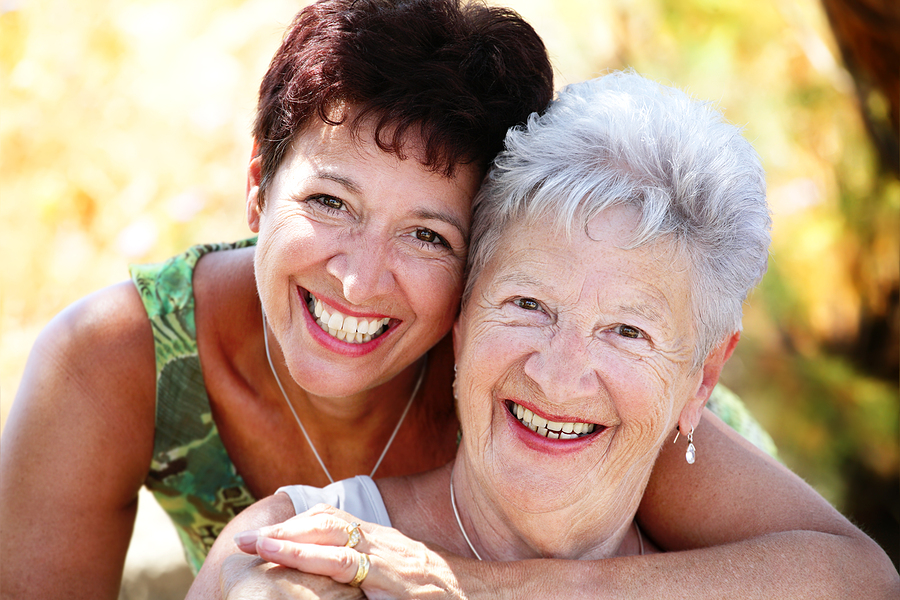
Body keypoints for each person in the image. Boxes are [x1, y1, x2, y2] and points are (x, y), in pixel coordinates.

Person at [0, 1, 852, 598]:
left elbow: (856, 577)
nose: (361, 280)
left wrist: (473, 588)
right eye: (329, 203)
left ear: (476, 257)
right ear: (257, 188)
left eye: (427, 236)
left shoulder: (583, 389)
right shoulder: (116, 361)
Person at [190, 71, 900, 599]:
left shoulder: (754, 580)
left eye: (627, 331)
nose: (560, 376)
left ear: (703, 379)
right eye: (529, 304)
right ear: (462, 323)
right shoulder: (311, 549)